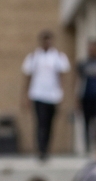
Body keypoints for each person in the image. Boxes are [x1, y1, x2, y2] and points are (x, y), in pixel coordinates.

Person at [21, 31, 70, 161]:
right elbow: (28, 77)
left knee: (49, 124)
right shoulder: (34, 57)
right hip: (38, 94)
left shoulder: (58, 57)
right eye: (44, 40)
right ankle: (41, 149)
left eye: (49, 40)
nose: (47, 43)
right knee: (40, 123)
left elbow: (62, 76)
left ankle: (47, 149)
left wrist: (61, 94)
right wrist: (26, 96)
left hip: (53, 95)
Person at [77, 40, 96, 154]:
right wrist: (77, 99)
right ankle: (87, 147)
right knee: (86, 123)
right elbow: (79, 82)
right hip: (86, 97)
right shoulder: (83, 64)